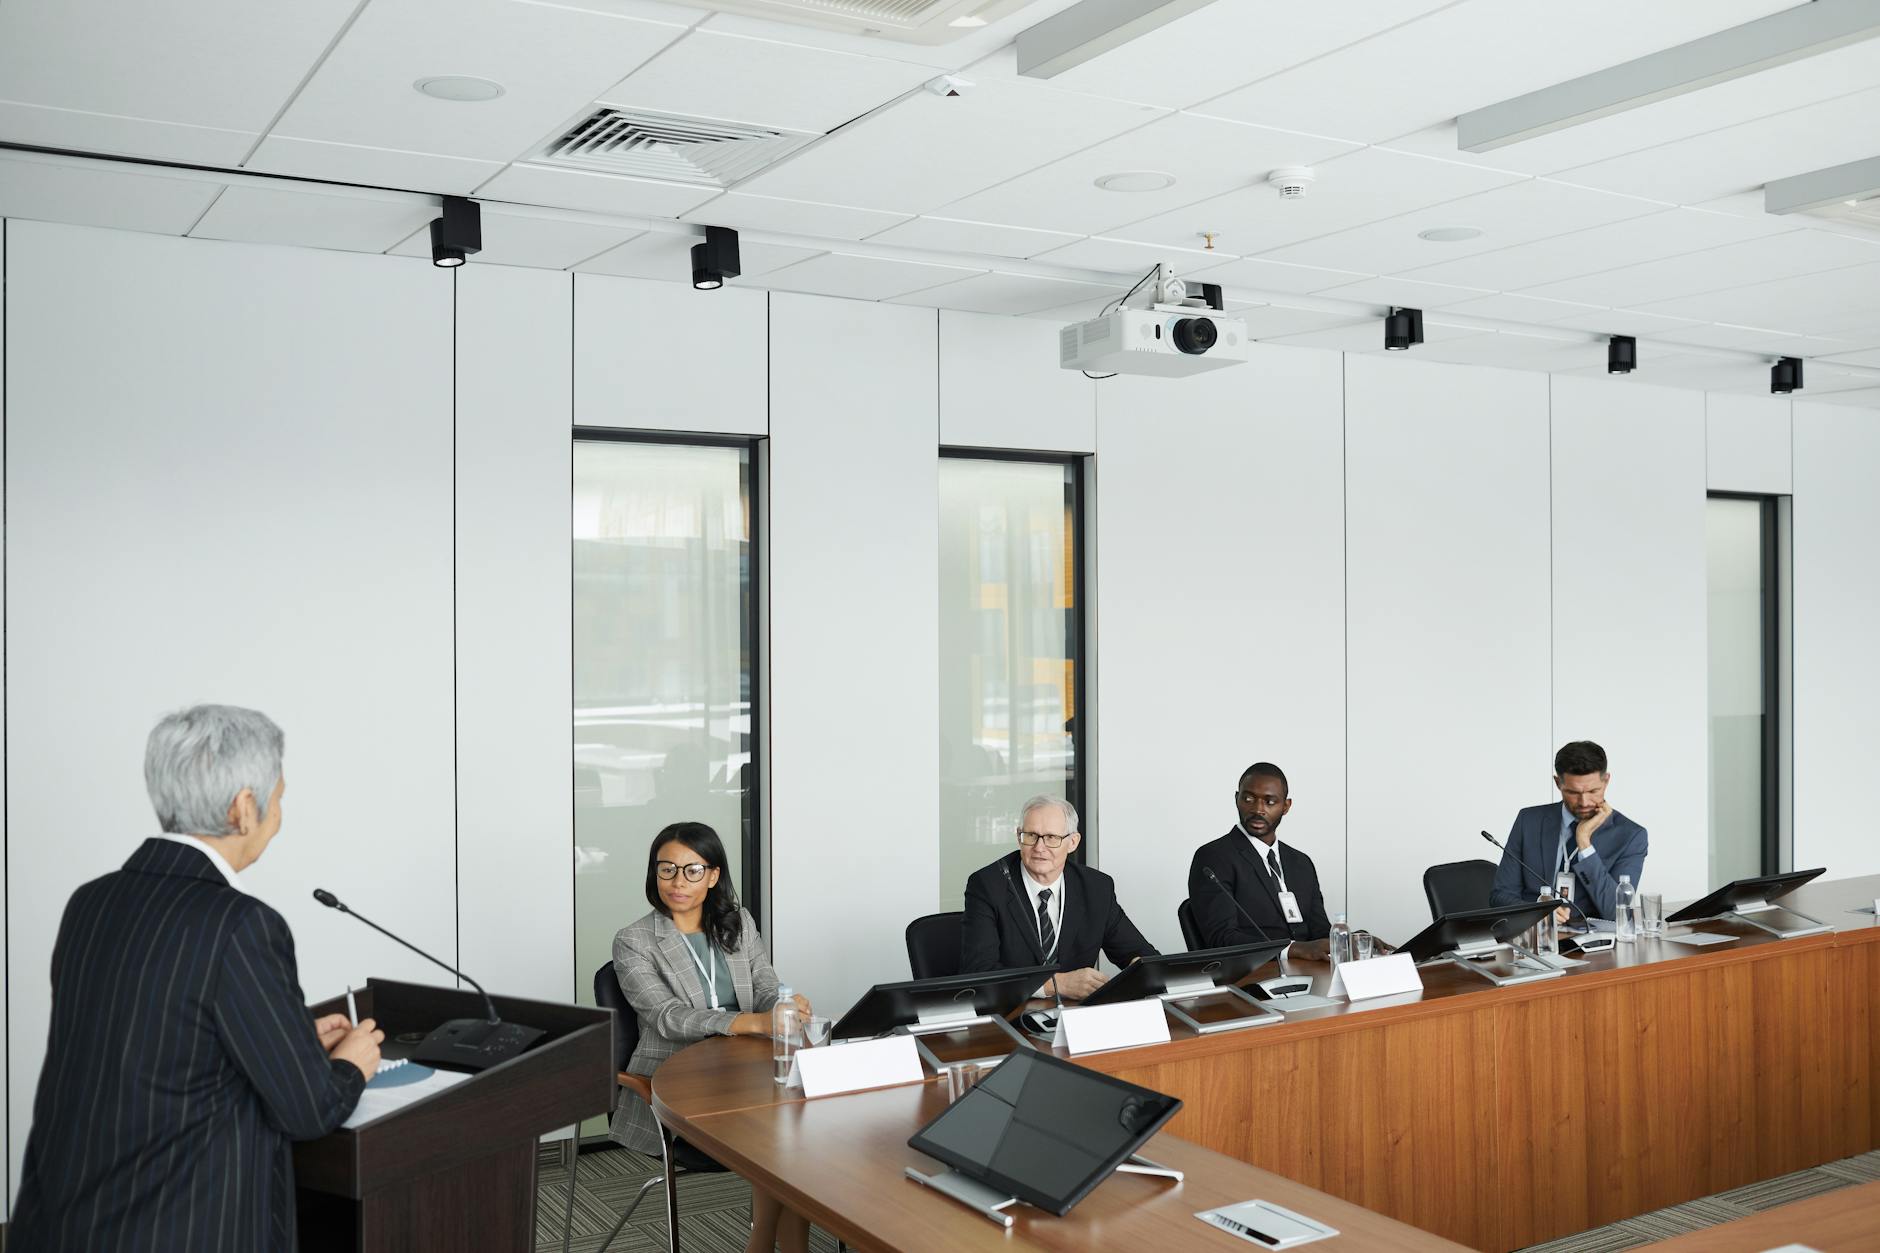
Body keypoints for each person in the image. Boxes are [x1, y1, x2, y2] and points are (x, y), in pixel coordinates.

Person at [10, 705, 383, 1252]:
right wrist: (350, 1063)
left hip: (63, 1227)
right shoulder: (242, 925)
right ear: (244, 808)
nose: (280, 814)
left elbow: (160, 1037)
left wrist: (293, 1038)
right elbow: (309, 1109)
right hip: (180, 1231)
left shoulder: (90, 904)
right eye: (278, 798)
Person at [612, 821, 813, 1253]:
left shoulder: (736, 922)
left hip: (748, 1068)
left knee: (800, 1126)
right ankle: (766, 1241)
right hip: (676, 1083)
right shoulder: (634, 941)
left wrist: (780, 1005)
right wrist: (752, 1024)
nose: (677, 882)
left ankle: (771, 1242)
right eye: (666, 870)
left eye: (692, 870)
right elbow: (667, 1018)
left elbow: (762, 985)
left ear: (714, 875)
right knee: (782, 1134)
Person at [960, 794, 1157, 1000]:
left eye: (1052, 838)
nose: (1039, 848)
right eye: (1031, 836)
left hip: (1077, 1017)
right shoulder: (987, 885)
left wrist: (1141, 971)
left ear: (1073, 842)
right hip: (1011, 1016)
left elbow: (1141, 955)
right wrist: (1055, 984)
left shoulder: (1096, 887)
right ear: (1019, 836)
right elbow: (978, 974)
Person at [1188, 762, 1338, 958]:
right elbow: (1221, 938)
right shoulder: (1213, 857)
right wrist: (1293, 949)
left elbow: (1319, 931)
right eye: (1248, 799)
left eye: (1270, 802)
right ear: (1237, 799)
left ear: (1286, 806)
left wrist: (1350, 942)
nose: (1258, 809)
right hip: (1252, 975)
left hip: (1308, 973)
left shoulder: (1301, 863)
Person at [1491, 740, 1648, 922]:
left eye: (1593, 791)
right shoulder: (1529, 821)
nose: (1584, 802)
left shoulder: (1630, 836)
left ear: (1606, 781)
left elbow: (1616, 914)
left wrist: (1584, 843)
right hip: (1534, 937)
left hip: (1592, 945)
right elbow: (1499, 897)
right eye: (1573, 792)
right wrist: (1537, 911)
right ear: (1558, 783)